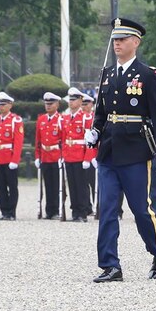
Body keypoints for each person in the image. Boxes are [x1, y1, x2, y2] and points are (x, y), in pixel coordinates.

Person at [87, 17, 156, 282]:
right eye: (115, 39)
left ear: (136, 42)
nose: (117, 44)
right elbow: (101, 111)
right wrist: (96, 131)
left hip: (135, 151)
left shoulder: (148, 75)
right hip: (110, 150)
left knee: (141, 210)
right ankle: (110, 265)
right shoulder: (108, 74)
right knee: (107, 209)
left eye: (122, 39)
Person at [0, 91, 24, 220]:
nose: (1, 107)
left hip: (9, 157)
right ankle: (4, 211)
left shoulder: (15, 120)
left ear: (10, 105)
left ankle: (11, 211)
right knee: (1, 186)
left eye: (4, 104)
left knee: (12, 186)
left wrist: (15, 160)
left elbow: (18, 142)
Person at [62, 88, 92, 222]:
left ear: (80, 101)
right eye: (70, 100)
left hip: (80, 155)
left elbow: (90, 140)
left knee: (81, 185)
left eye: (74, 100)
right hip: (69, 154)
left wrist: (88, 158)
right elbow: (63, 139)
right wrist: (62, 155)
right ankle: (75, 211)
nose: (71, 102)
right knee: (72, 185)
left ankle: (83, 211)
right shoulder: (66, 118)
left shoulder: (86, 117)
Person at [35, 92, 65, 219]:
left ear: (57, 104)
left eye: (50, 104)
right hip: (45, 156)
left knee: (57, 185)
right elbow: (38, 140)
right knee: (47, 185)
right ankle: (49, 210)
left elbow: (63, 140)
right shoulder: (41, 119)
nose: (48, 106)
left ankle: (57, 209)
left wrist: (62, 156)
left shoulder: (61, 119)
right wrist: (37, 156)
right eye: (46, 104)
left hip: (56, 155)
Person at [82, 92, 97, 213]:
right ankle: (87, 206)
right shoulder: (79, 117)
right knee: (83, 183)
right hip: (80, 154)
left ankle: (97, 205)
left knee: (94, 183)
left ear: (91, 104)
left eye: (86, 104)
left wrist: (91, 157)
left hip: (93, 155)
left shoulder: (95, 118)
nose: (83, 106)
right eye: (82, 104)